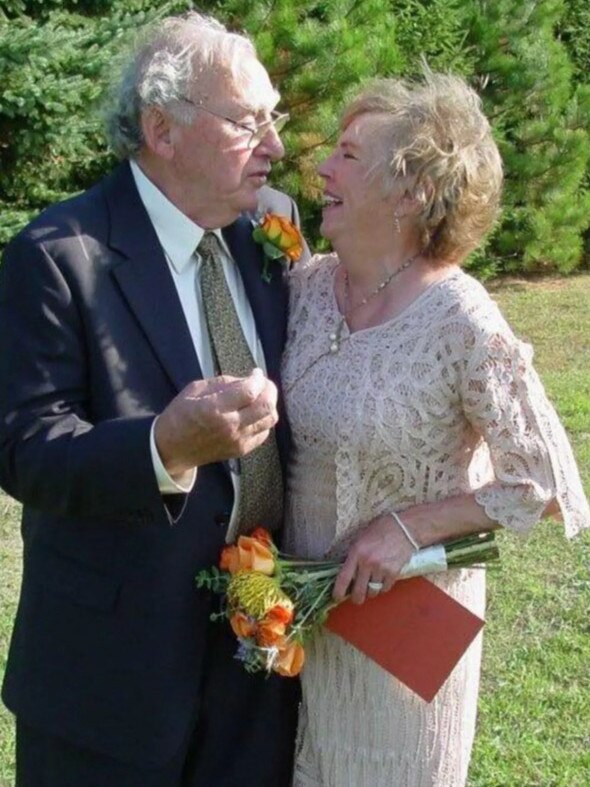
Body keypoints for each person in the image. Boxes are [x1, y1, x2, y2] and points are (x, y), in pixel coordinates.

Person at [0, 11, 306, 786]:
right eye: (247, 123)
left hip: (255, 667)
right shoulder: (57, 255)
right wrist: (162, 446)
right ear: (162, 130)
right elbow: (25, 448)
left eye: (275, 120)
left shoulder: (265, 234)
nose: (273, 148)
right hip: (110, 681)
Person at [281, 72, 590, 786]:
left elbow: (544, 483)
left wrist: (410, 525)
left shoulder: (460, 320)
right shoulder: (303, 290)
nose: (323, 168)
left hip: (406, 653)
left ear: (412, 190)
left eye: (350, 156)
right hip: (302, 639)